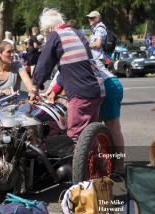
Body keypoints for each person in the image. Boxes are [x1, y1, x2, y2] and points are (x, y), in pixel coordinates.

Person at [30, 8, 101, 142]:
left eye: (46, 31)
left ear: (49, 28)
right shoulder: (76, 33)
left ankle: (78, 163)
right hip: (96, 90)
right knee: (90, 138)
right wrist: (56, 89)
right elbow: (72, 66)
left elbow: (43, 64)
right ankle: (98, 162)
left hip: (80, 94)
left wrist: (35, 87)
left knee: (75, 137)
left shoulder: (56, 35)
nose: (46, 34)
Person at [87, 10, 125, 171]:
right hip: (102, 81)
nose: (89, 21)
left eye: (91, 18)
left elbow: (98, 43)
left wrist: (85, 45)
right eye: (88, 19)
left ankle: (119, 167)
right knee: (99, 128)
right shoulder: (96, 29)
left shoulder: (100, 29)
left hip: (108, 82)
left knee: (113, 126)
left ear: (97, 18)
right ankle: (106, 165)